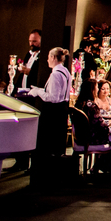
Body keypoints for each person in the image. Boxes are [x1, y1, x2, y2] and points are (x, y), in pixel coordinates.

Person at [26, 47, 73, 184]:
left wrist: (37, 92)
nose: (47, 60)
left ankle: (43, 176)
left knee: (46, 143)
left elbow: (52, 97)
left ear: (53, 57)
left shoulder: (55, 74)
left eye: (48, 57)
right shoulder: (66, 72)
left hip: (53, 113)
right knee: (56, 143)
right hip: (62, 110)